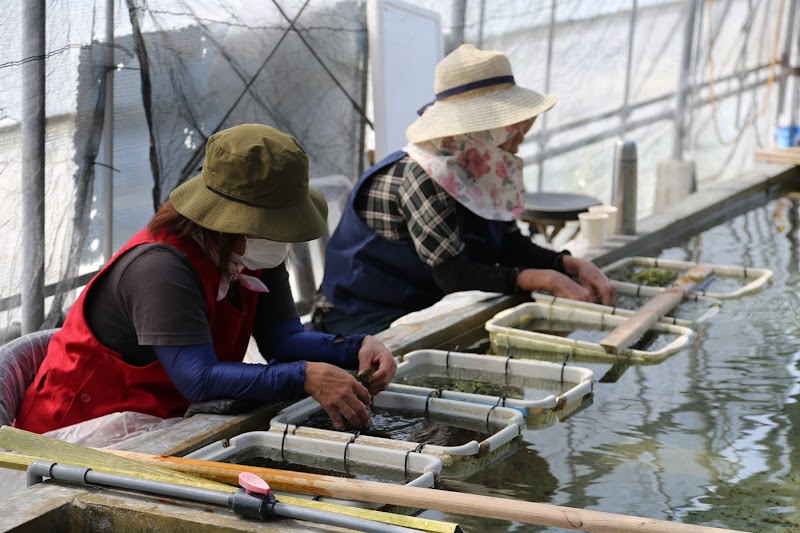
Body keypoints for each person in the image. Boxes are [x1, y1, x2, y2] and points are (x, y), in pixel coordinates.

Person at [15, 124, 396, 434]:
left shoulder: (252, 250)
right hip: (80, 430)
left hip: (161, 420)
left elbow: (281, 338)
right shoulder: (160, 268)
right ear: (231, 220)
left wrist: (355, 348)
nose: (282, 239)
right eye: (272, 225)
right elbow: (197, 378)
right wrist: (303, 375)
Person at [314, 44, 617, 335]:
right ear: (478, 132)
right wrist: (545, 279)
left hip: (422, 306)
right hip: (363, 315)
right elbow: (454, 275)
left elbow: (509, 244)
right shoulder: (424, 176)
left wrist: (567, 264)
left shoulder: (477, 168)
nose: (520, 140)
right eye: (512, 131)